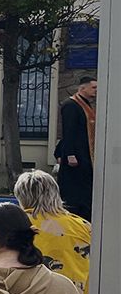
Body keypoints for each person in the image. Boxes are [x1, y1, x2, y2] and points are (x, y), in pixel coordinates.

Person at [56, 76, 97, 221]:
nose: (96, 90)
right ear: (82, 88)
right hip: (75, 157)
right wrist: (70, 154)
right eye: (93, 87)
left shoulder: (86, 105)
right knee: (74, 193)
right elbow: (69, 131)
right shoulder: (71, 105)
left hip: (86, 155)